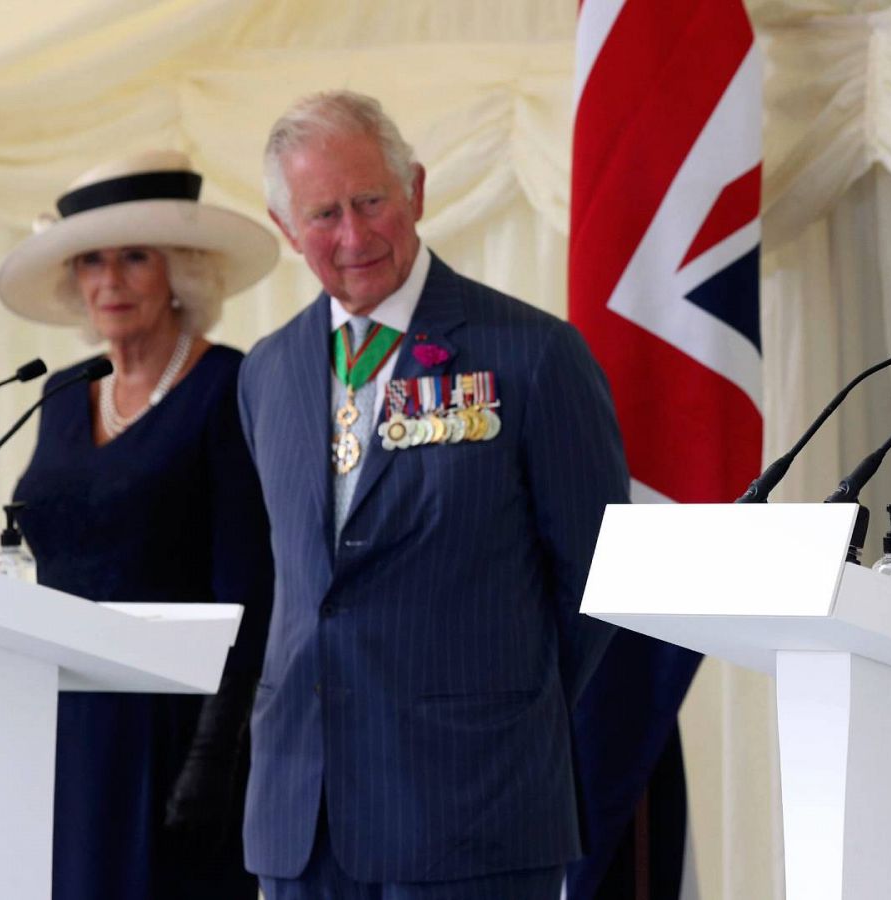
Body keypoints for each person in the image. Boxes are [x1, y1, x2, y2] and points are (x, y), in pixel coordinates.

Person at [238, 90, 627, 899]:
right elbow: (298, 580)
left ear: (415, 188)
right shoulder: (266, 371)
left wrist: (487, 707)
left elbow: (595, 582)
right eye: (322, 215)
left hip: (471, 808)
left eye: (371, 201)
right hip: (300, 815)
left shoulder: (532, 356)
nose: (352, 237)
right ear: (285, 230)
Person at [0, 149, 278, 899]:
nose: (109, 281)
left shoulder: (227, 386)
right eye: (90, 261)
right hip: (59, 721)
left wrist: (218, 751)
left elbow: (251, 585)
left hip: (176, 736)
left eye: (133, 258)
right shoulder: (60, 394)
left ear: (181, 271)